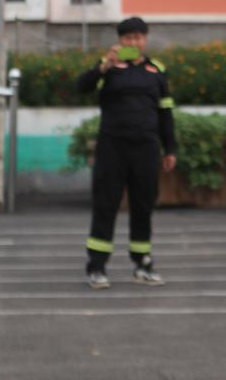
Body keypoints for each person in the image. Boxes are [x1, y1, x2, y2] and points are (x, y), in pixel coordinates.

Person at [76, 16, 177, 289]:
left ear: (145, 39)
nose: (134, 42)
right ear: (120, 41)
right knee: (105, 204)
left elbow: (166, 113)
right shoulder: (107, 67)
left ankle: (142, 263)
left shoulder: (157, 70)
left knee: (143, 205)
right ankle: (97, 267)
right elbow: (81, 87)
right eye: (128, 38)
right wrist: (103, 67)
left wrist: (170, 148)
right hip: (112, 147)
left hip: (146, 147)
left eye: (138, 37)